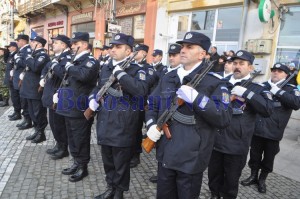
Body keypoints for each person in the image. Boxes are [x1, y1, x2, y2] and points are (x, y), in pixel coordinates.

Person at [145, 31, 232, 198]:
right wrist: (150, 125)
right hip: (166, 152)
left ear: (202, 54)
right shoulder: (169, 77)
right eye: (182, 46)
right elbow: (152, 103)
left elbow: (224, 117)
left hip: (191, 158)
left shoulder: (214, 82)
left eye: (189, 47)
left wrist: (197, 98)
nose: (182, 50)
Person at [208, 50, 274, 199]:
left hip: (236, 144)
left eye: (241, 64)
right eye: (234, 63)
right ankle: (214, 195)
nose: (237, 66)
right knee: (213, 176)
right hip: (215, 141)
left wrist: (247, 94)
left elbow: (268, 110)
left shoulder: (258, 89)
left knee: (231, 182)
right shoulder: (221, 84)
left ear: (250, 67)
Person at [91, 33, 149, 199]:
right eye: (112, 46)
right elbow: (98, 87)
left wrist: (121, 75)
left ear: (129, 50)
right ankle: (110, 187)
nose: (113, 49)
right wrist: (92, 99)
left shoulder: (138, 70)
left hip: (123, 124)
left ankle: (119, 192)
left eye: (118, 47)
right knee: (108, 161)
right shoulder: (106, 67)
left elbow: (141, 91)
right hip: (104, 121)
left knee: (121, 163)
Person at [241, 63, 300, 193]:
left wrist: (278, 92)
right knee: (254, 155)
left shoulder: (291, 88)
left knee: (269, 158)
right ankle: (253, 176)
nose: (275, 73)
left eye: (279, 71)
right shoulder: (263, 86)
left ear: (286, 75)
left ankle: (262, 180)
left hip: (274, 131)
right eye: (274, 70)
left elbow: (296, 103)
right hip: (257, 127)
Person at [54, 32, 99, 182]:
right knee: (72, 138)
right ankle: (76, 162)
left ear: (85, 45)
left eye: (75, 43)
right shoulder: (74, 60)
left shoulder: (90, 61)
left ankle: (83, 166)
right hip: (68, 106)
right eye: (72, 44)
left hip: (79, 108)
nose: (72, 46)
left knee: (80, 138)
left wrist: (69, 66)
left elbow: (84, 76)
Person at [148, 43, 183, 184]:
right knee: (161, 152)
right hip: (163, 121)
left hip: (179, 128)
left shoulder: (185, 77)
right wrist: (151, 123)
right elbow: (153, 99)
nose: (172, 58)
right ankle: (161, 171)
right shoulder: (166, 75)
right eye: (171, 55)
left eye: (175, 55)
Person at [40, 35, 71, 159]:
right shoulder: (56, 58)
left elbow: (64, 74)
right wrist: (43, 77)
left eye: (56, 43)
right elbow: (45, 68)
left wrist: (54, 66)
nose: (53, 44)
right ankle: (58, 144)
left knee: (59, 124)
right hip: (50, 94)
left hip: (58, 95)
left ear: (64, 45)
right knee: (53, 123)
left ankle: (63, 148)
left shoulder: (67, 58)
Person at [20, 35, 50, 143]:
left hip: (35, 89)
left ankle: (41, 133)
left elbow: (35, 67)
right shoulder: (34, 54)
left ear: (39, 44)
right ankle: (37, 130)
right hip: (29, 89)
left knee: (38, 113)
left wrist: (28, 58)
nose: (31, 43)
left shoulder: (43, 55)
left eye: (33, 42)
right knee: (32, 112)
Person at [130, 43, 151, 169]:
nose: (134, 53)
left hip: (141, 103)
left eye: (136, 52)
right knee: (130, 129)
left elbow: (147, 85)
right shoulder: (131, 67)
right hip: (130, 102)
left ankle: (135, 155)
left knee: (136, 130)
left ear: (143, 53)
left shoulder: (148, 68)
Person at [13, 34, 33, 129]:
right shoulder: (22, 50)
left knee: (25, 101)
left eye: (18, 40)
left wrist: (18, 60)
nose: (17, 42)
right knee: (22, 100)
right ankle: (26, 119)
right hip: (19, 79)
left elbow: (26, 64)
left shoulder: (27, 50)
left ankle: (28, 120)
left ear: (23, 41)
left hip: (24, 79)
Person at [4, 42, 19, 114]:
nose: (8, 48)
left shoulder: (16, 55)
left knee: (15, 97)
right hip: (10, 79)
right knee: (13, 97)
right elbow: (5, 60)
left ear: (14, 47)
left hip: (13, 79)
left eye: (10, 47)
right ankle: (16, 111)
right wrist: (6, 52)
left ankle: (17, 112)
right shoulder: (11, 55)